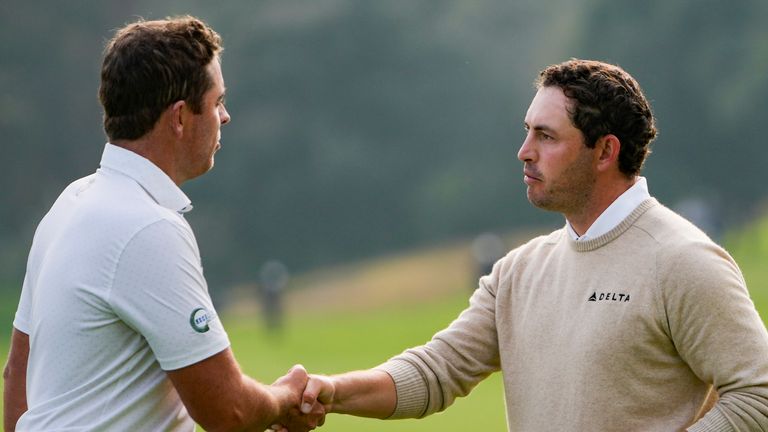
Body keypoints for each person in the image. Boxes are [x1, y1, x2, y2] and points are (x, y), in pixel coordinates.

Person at [295, 59, 768, 431]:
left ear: (605, 151)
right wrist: (332, 391)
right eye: (528, 131)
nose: (524, 151)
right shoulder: (517, 271)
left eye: (546, 136)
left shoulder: (682, 260)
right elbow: (436, 372)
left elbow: (758, 395)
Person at [3, 16, 323, 431]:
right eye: (216, 102)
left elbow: (17, 375)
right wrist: (286, 399)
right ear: (179, 118)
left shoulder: (71, 202)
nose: (224, 117)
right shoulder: (147, 227)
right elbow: (229, 412)